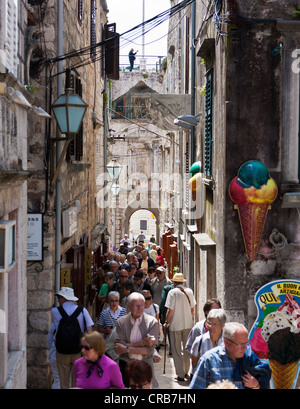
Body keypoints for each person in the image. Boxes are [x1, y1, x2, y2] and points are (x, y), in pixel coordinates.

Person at [189, 322, 272, 389]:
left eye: (246, 343)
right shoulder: (208, 360)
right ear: (226, 342)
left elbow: (263, 379)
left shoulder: (250, 358)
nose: (244, 348)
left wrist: (256, 385)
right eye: (240, 344)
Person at [51, 287, 94, 389]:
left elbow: (56, 328)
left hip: (62, 351)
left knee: (64, 382)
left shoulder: (54, 311)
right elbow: (89, 330)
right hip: (78, 351)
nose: (58, 300)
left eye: (59, 297)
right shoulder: (82, 310)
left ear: (64, 298)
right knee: (78, 381)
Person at [114, 292, 159, 387]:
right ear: (129, 306)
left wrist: (127, 348)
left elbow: (150, 350)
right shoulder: (121, 322)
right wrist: (142, 343)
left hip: (145, 364)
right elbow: (118, 347)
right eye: (136, 306)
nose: (140, 309)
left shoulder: (152, 322)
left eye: (142, 305)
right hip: (126, 365)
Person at [163, 272, 196, 382]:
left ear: (174, 282)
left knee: (177, 350)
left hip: (175, 325)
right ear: (182, 282)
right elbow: (192, 309)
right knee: (187, 349)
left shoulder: (172, 292)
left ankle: (180, 374)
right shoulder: (189, 291)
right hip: (188, 325)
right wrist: (190, 320)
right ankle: (186, 371)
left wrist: (166, 322)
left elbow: (170, 311)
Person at [190, 308, 226, 373]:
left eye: (215, 324)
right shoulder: (199, 341)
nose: (211, 326)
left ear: (222, 325)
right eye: (209, 323)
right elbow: (194, 363)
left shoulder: (228, 341)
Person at [47, 323, 60, 389]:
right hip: (73, 355)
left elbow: (49, 344)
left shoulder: (54, 324)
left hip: (55, 354)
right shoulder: (79, 317)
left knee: (57, 380)